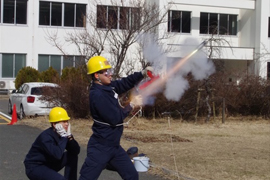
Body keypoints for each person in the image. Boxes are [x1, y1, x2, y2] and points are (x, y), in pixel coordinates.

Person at [79, 56, 152, 180]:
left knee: (132, 175)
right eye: (106, 72)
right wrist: (132, 105)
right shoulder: (97, 95)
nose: (110, 74)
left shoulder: (108, 86)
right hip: (100, 148)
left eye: (110, 70)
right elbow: (115, 118)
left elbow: (124, 83)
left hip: (114, 147)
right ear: (97, 75)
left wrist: (141, 73)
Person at [24, 107, 80, 180]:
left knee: (72, 155)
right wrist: (64, 137)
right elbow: (57, 155)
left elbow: (76, 151)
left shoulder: (63, 134)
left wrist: (69, 137)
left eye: (67, 121)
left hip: (49, 164)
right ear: (54, 124)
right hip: (35, 167)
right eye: (63, 122)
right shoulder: (45, 137)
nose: (67, 124)